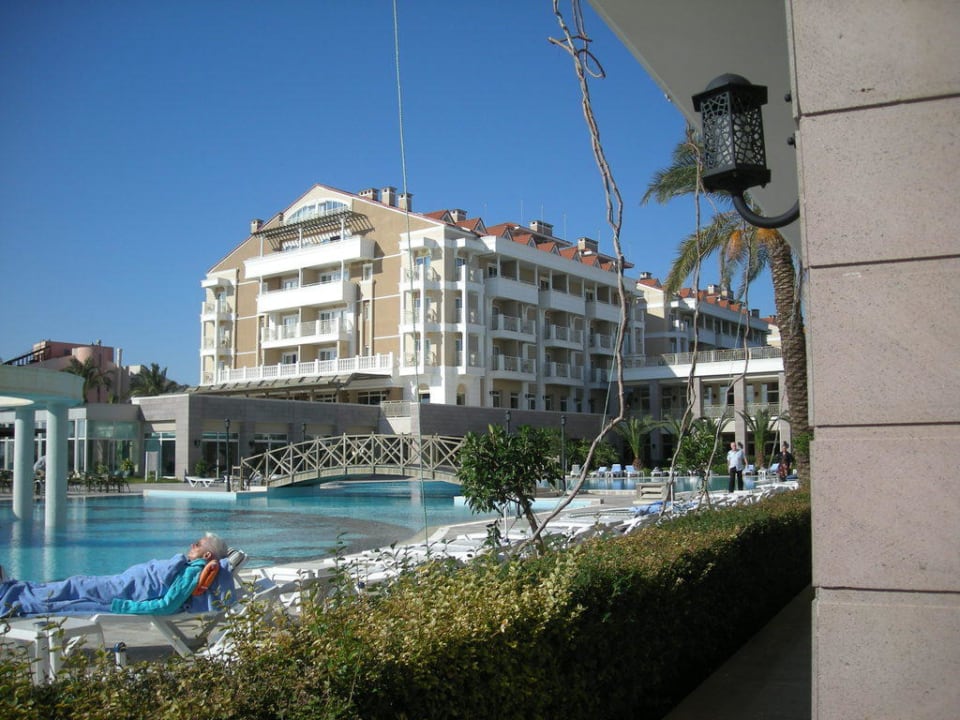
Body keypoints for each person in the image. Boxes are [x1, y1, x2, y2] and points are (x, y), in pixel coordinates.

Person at [0, 532, 230, 619]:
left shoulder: (192, 571)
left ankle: (11, 595)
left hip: (121, 593)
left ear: (207, 554)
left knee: (72, 589)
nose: (192, 544)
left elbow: (167, 605)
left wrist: (124, 606)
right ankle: (14, 591)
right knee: (73, 585)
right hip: (121, 584)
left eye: (197, 543)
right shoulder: (191, 566)